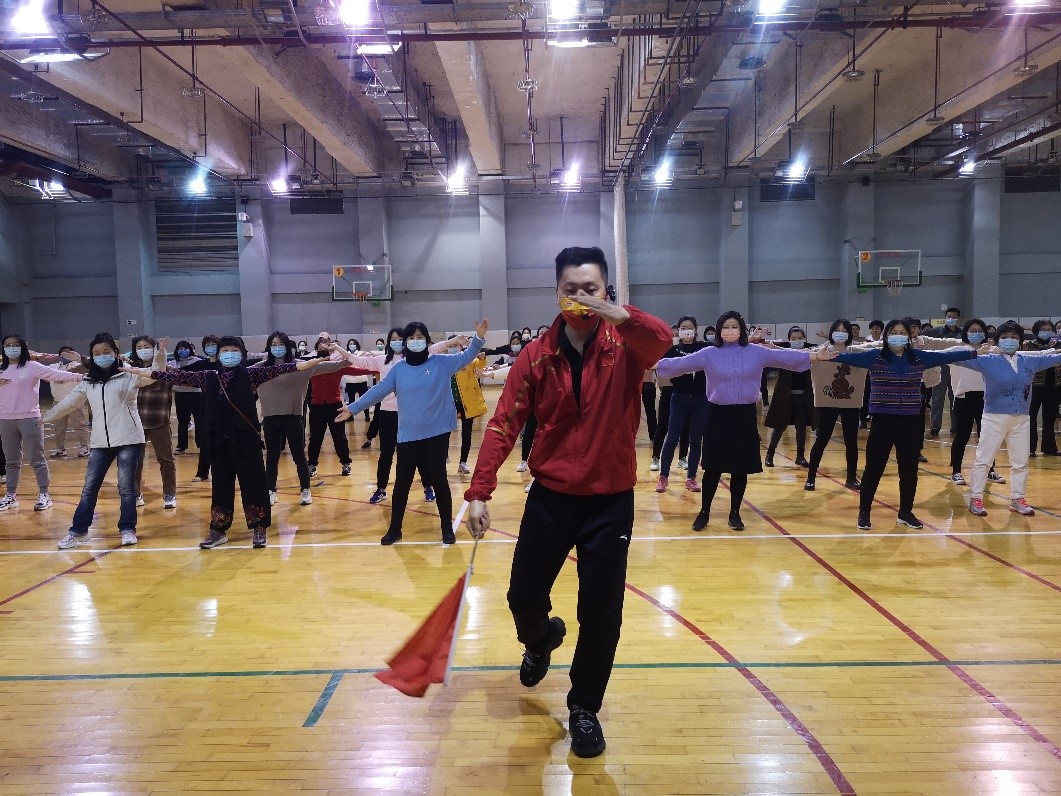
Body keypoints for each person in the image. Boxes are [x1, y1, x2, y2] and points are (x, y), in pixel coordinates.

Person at [466, 246, 671, 759]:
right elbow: (504, 423)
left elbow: (662, 340)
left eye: (591, 289)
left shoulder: (627, 347)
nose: (581, 298)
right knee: (522, 596)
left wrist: (622, 316)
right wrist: (478, 491)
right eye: (571, 289)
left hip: (609, 502)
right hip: (551, 498)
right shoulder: (537, 355)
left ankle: (584, 707)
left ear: (606, 292)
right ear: (557, 293)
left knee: (601, 612)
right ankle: (540, 640)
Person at [126, 336, 329, 549]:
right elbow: (175, 376)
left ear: (241, 354)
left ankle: (259, 527)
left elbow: (287, 368)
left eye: (234, 350)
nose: (229, 354)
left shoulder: (252, 374)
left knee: (254, 482)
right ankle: (219, 529)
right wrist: (136, 371)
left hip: (246, 437)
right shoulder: (207, 376)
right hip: (218, 438)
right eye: (225, 350)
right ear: (218, 354)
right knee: (221, 484)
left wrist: (315, 361)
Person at [658, 312, 836, 532]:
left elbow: (786, 358)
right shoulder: (709, 353)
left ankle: (735, 513)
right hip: (717, 416)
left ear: (741, 329)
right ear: (719, 330)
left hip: (744, 415)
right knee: (712, 468)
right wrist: (652, 363)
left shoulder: (756, 352)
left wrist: (816, 356)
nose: (730, 331)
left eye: (734, 326)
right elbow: (680, 363)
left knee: (739, 468)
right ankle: (704, 512)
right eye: (726, 327)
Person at [338, 319, 488, 545]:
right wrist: (354, 407)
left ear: (427, 341)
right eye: (411, 338)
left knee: (439, 479)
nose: (415, 341)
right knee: (402, 482)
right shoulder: (399, 369)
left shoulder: (441, 363)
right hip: (408, 434)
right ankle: (395, 529)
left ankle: (446, 528)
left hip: (437, 432)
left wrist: (478, 337)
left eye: (420, 337)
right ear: (405, 342)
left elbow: (466, 357)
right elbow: (379, 390)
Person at [831, 320, 977, 531]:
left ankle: (905, 512)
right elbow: (846, 357)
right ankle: (864, 512)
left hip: (911, 421)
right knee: (873, 469)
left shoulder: (918, 357)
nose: (898, 336)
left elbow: (947, 356)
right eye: (893, 332)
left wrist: (974, 352)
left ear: (909, 337)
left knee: (909, 470)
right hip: (882, 421)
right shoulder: (875, 356)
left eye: (902, 332)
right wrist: (825, 354)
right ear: (886, 336)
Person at [45, 332, 161, 548]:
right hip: (100, 442)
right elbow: (69, 403)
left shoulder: (128, 374)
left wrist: (160, 355)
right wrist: (45, 418)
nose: (101, 356)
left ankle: (127, 529)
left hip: (128, 439)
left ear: (115, 353)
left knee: (126, 488)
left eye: (106, 352)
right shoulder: (88, 381)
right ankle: (79, 531)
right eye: (96, 353)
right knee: (89, 488)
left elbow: (154, 375)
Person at [336, 329, 453, 504]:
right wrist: (338, 348)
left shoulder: (412, 360)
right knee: (386, 453)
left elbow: (435, 348)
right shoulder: (381, 360)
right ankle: (381, 489)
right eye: (393, 339)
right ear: (389, 342)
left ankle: (428, 486)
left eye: (400, 339)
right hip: (387, 414)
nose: (396, 342)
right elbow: (358, 360)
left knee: (419, 453)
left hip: (409, 413)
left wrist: (452, 342)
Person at [253, 332, 369, 507]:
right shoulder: (259, 368)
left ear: (287, 346)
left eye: (281, 344)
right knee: (271, 457)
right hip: (270, 419)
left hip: (293, 418)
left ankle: (305, 489)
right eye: (273, 344)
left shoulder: (302, 365)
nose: (277, 348)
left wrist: (350, 354)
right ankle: (271, 491)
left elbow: (336, 366)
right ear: (269, 347)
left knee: (299, 456)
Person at [959, 321, 1061, 516]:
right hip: (994, 417)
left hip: (1021, 418)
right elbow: (956, 358)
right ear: (997, 340)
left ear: (1020, 341)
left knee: (1021, 461)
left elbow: (1054, 358)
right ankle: (976, 497)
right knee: (984, 460)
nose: (1010, 340)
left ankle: (1017, 498)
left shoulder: (1028, 360)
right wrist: (976, 351)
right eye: (1005, 337)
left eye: (1014, 337)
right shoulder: (987, 360)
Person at [0, 334, 85, 512]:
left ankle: (44, 495)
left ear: (22, 347)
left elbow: (58, 375)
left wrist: (83, 377)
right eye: (7, 345)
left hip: (30, 418)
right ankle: (10, 496)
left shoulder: (32, 366)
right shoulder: (1, 369)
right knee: (11, 461)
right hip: (5, 419)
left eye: (15, 344)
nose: (11, 348)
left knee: (37, 459)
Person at [804, 319, 868, 491]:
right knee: (821, 440)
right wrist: (774, 347)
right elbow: (798, 353)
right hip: (827, 403)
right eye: (837, 330)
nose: (841, 333)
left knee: (851, 442)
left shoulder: (858, 351)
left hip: (851, 404)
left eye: (844, 331)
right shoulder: (821, 350)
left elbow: (878, 348)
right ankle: (811, 477)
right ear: (831, 332)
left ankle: (851, 478)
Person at [947, 319, 1004, 487]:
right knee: (962, 435)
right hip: (963, 397)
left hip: (987, 398)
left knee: (986, 436)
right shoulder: (957, 350)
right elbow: (937, 354)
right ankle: (956, 471)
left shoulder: (992, 351)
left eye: (980, 330)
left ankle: (990, 470)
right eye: (972, 330)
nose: (976, 333)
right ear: (966, 332)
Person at [655, 316, 708, 493]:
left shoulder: (704, 348)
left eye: (689, 327)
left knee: (696, 440)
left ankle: (691, 478)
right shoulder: (673, 350)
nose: (686, 331)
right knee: (672, 437)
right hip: (679, 398)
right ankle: (663, 476)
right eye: (683, 328)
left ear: (695, 329)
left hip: (700, 399)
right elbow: (660, 366)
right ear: (678, 331)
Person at [128, 336, 177, 509]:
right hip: (135, 423)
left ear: (154, 348)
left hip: (159, 421)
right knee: (135, 461)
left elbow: (186, 378)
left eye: (146, 346)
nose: (143, 350)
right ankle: (136, 494)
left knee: (166, 459)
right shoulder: (131, 371)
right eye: (139, 347)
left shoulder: (167, 370)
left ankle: (169, 494)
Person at [764, 326, 815, 468]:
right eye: (794, 338)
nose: (797, 341)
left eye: (800, 338)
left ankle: (800, 456)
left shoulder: (810, 352)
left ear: (804, 339)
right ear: (789, 340)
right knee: (779, 426)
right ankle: (770, 455)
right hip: (785, 396)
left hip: (803, 396)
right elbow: (772, 351)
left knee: (801, 427)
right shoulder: (784, 353)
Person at [184, 335, 221, 482]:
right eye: (208, 345)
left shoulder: (225, 364)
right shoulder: (202, 364)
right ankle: (202, 472)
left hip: (226, 406)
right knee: (206, 440)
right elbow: (182, 371)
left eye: (213, 344)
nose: (211, 347)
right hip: (207, 405)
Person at [451, 343, 488, 475]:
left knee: (466, 433)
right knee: (444, 432)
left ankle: (463, 462)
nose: (454, 348)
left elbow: (479, 364)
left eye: (456, 345)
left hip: (467, 402)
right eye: (451, 345)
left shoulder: (467, 360)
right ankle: (443, 457)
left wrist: (482, 358)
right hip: (448, 403)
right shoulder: (444, 362)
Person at [924, 307, 962, 437]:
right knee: (937, 399)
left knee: (955, 398)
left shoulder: (962, 333)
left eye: (954, 317)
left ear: (958, 319)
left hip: (957, 368)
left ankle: (955, 427)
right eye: (949, 316)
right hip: (940, 368)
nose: (951, 319)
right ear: (945, 317)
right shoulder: (935, 332)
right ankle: (935, 426)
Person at [48, 346, 91, 459]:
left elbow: (87, 368)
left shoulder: (78, 365)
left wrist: (63, 377)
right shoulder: (53, 367)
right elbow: (46, 375)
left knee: (80, 425)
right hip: (58, 401)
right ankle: (60, 449)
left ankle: (85, 447)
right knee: (59, 427)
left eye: (69, 353)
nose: (66, 355)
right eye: (63, 353)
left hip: (74, 402)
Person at [1025, 320, 1059, 456]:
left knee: (1050, 418)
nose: (1046, 332)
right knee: (1030, 417)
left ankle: (1049, 448)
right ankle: (1030, 448)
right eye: (1043, 329)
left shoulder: (1058, 345)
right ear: (1036, 331)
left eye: (1049, 329)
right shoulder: (1028, 346)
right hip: (1033, 386)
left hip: (1053, 386)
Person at [171, 340, 203, 455]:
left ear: (190, 349)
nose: (182, 351)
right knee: (182, 420)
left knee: (199, 419)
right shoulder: (173, 363)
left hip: (196, 393)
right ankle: (181, 446)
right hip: (180, 393)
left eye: (185, 348)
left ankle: (202, 444)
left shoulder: (197, 361)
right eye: (180, 349)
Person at [342, 339, 373, 421]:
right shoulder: (345, 354)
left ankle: (367, 415)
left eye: (353, 343)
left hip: (361, 380)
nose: (352, 345)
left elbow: (364, 364)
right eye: (350, 344)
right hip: (350, 381)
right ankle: (350, 416)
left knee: (364, 400)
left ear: (357, 345)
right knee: (351, 400)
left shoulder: (362, 353)